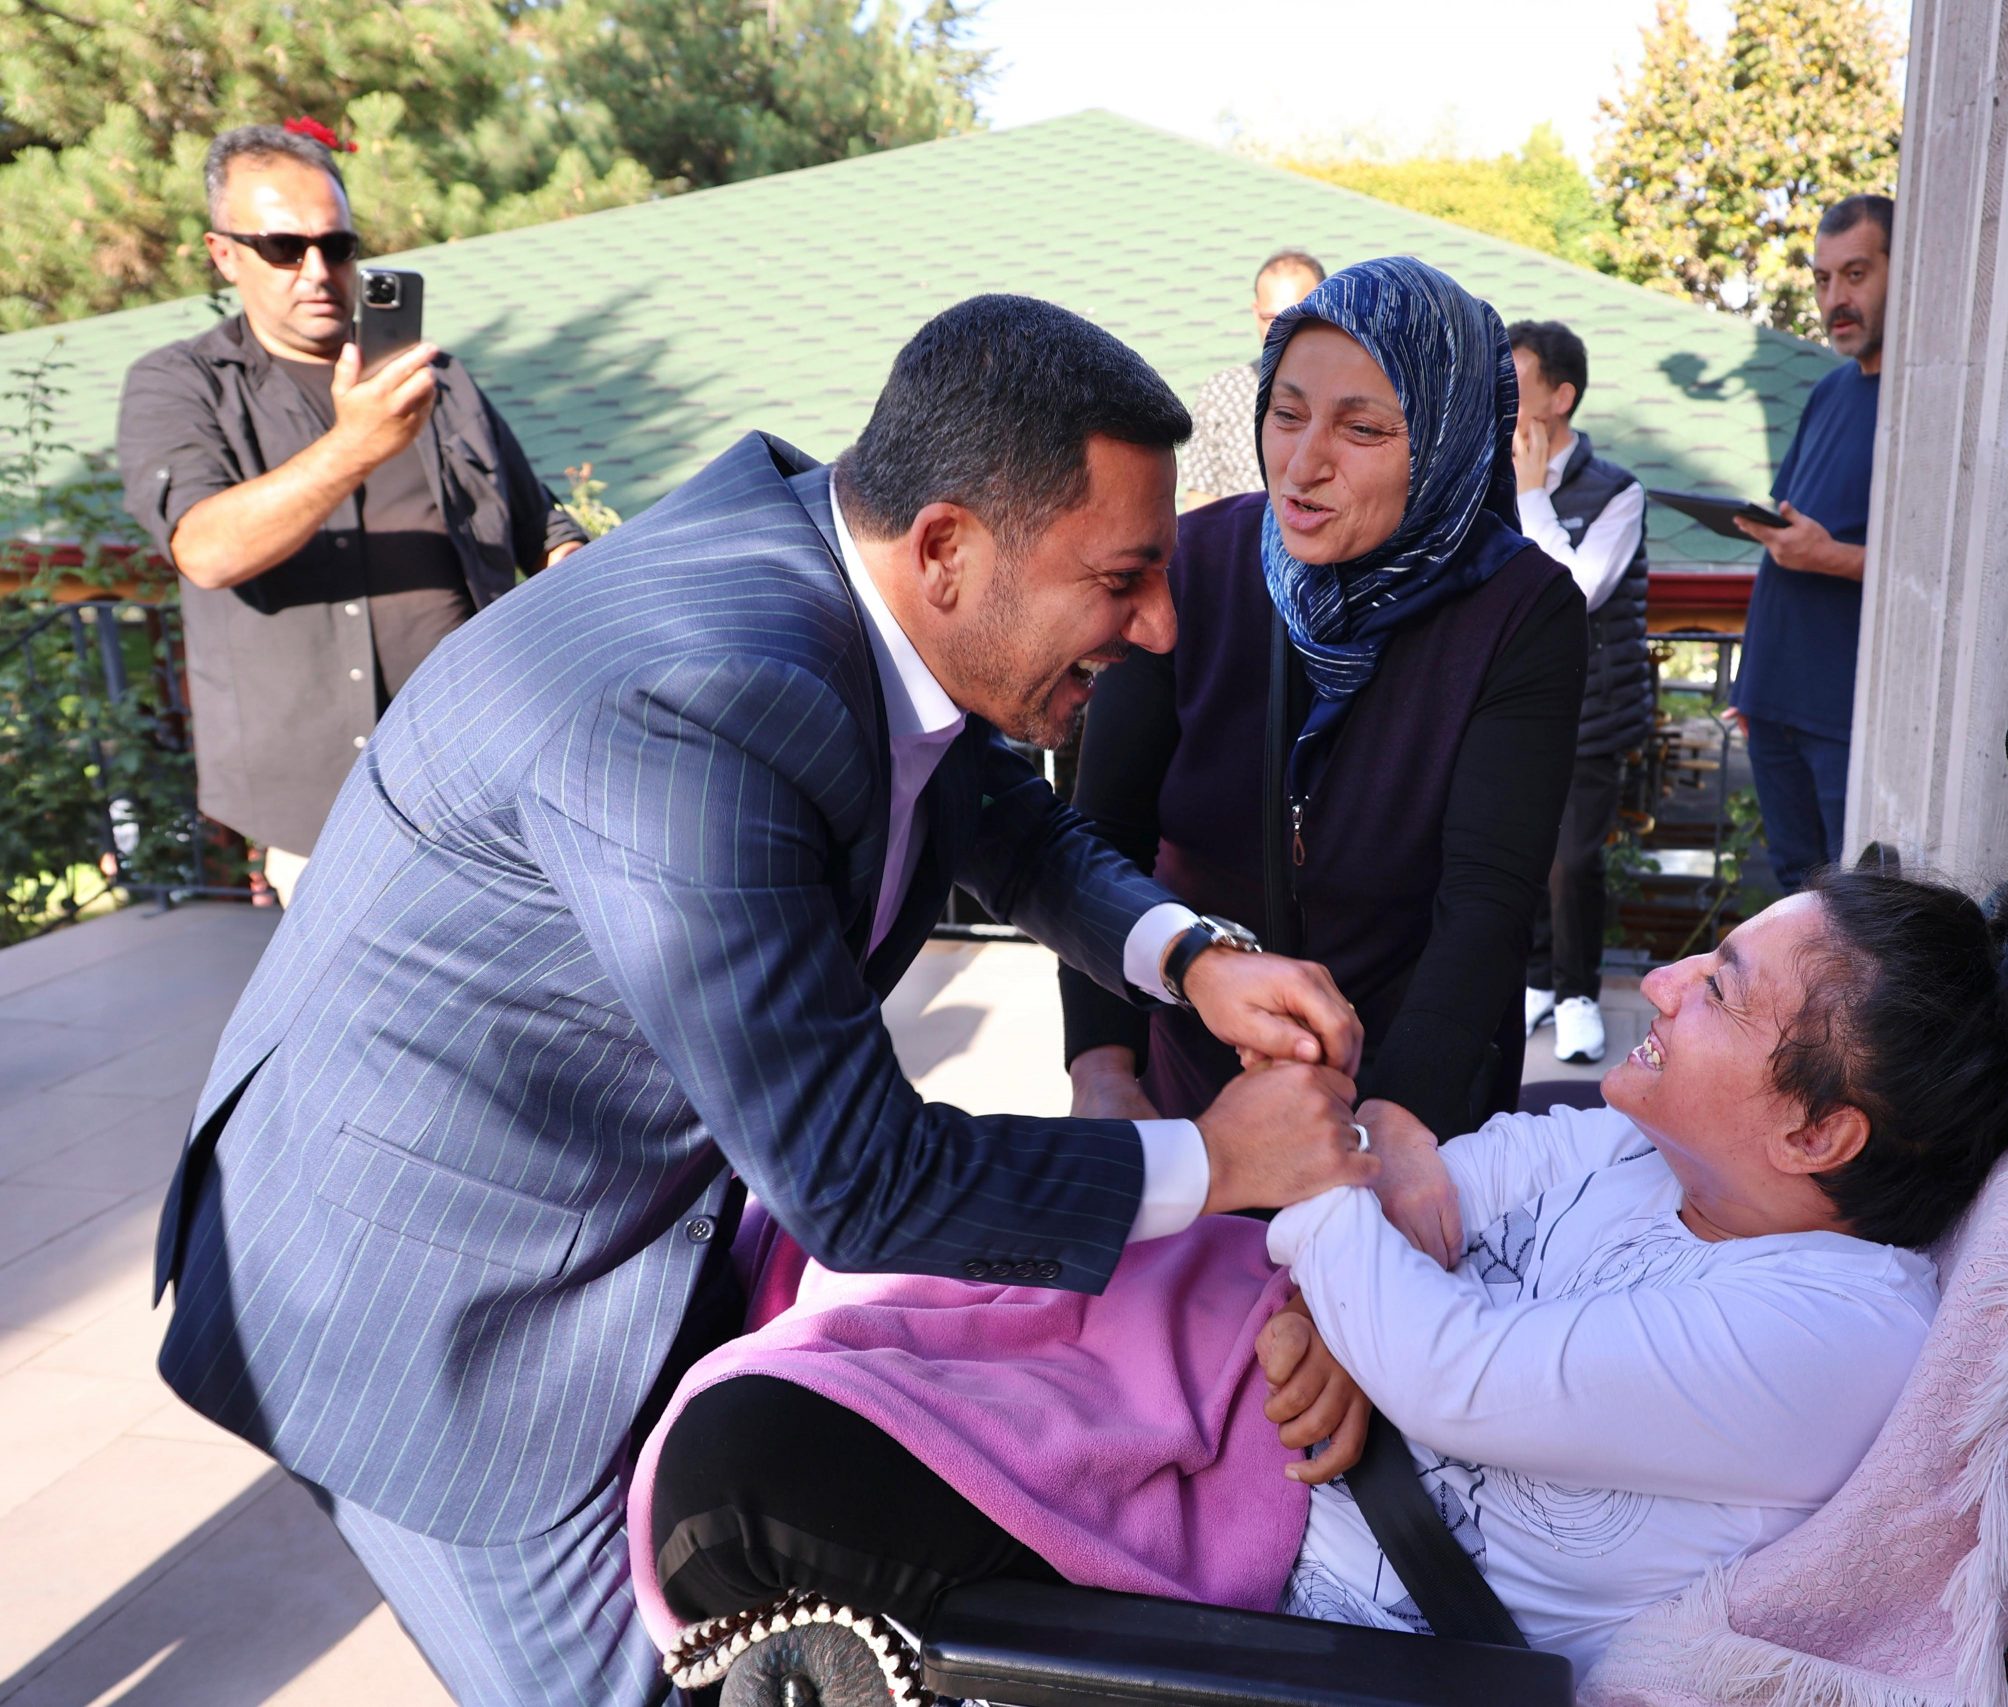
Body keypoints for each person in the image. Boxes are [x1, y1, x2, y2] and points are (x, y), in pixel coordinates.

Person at [152, 294, 1386, 1707]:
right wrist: (1218, 1160)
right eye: (1123, 578)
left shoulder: (850, 555)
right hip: (422, 1298)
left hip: (614, 1218)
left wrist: (1189, 955)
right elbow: (861, 1180)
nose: (1159, 626)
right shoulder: (700, 699)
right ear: (947, 549)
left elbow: (994, 809)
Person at [637, 849, 2008, 1699]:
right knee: (821, 1294)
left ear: (1817, 1129)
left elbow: (1450, 1367)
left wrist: (1325, 1199)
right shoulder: (1644, 1152)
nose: (1669, 980)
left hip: (1314, 1610)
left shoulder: (1834, 1334)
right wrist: (1345, 1260)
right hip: (1265, 1412)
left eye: (1723, 988)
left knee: (747, 1476)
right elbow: (1419, 1176)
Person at [1058, 256, 1587, 1257]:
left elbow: (1485, 900)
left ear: (1445, 438)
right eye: (1287, 414)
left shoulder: (1519, 613)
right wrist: (1103, 1067)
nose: (1302, 465)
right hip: (1193, 1078)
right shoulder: (1194, 566)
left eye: (1362, 429)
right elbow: (1103, 837)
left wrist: (1399, 1116)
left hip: (1415, 1079)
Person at [115, 121, 587, 906]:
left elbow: (543, 530)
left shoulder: (433, 378)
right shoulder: (182, 384)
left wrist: (582, 583)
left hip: (487, 771)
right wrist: (356, 445)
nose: (317, 272)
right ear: (224, 254)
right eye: (283, 247)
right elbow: (205, 549)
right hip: (325, 816)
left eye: (336, 246)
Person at [1730, 194, 1893, 890]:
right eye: (1823, 280)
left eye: (1856, 274)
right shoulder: (1829, 392)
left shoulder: (1930, 399)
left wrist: (1831, 556)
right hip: (1774, 695)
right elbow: (1792, 532)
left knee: (1854, 909)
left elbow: (1945, 571)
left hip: (1845, 711)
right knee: (1795, 900)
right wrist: (1751, 684)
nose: (1835, 300)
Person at [1506, 319, 1650, 1066]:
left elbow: (1576, 592)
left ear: (1560, 397)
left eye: (1518, 383)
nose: (1503, 397)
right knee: (1519, 847)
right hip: (1513, 703)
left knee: (1574, 860)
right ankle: (1535, 981)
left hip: (1593, 707)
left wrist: (1532, 497)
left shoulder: (1618, 491)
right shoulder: (1487, 475)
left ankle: (1578, 994)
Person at [1175, 247, 1327, 505]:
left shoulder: (1353, 389)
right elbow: (1201, 498)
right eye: (1270, 318)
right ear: (1255, 312)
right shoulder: (1223, 392)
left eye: (1294, 317)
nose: (1280, 329)